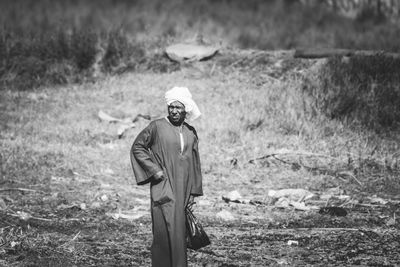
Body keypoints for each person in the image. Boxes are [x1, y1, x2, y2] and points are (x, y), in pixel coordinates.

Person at [130, 86, 203, 267]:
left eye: (178, 107)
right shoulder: (157, 126)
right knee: (163, 232)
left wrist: (193, 192)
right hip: (163, 186)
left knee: (179, 233)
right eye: (171, 106)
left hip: (184, 189)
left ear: (186, 109)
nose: (174, 111)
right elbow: (138, 147)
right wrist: (154, 170)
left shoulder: (190, 132)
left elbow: (195, 162)